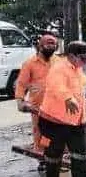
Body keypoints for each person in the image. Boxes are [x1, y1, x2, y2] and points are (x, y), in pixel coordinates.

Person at [38, 41, 86, 177]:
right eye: (83, 58)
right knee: (54, 156)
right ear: (72, 56)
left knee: (80, 156)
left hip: (76, 122)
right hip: (53, 122)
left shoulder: (78, 69)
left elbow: (78, 91)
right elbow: (56, 86)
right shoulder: (59, 68)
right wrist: (68, 98)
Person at [15, 32, 58, 170]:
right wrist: (20, 101)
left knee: (58, 133)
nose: (52, 46)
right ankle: (43, 159)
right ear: (40, 46)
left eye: (54, 44)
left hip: (57, 106)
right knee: (41, 133)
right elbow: (21, 84)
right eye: (49, 43)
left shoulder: (58, 62)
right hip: (38, 107)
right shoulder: (29, 64)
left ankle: (56, 157)